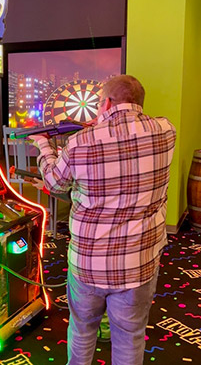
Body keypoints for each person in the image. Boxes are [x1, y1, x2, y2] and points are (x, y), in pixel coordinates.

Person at [30, 74, 176, 365]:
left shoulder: (79, 142)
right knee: (131, 336)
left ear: (106, 103)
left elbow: (55, 183)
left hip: (88, 264)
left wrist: (44, 146)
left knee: (83, 331)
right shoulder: (166, 130)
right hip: (138, 263)